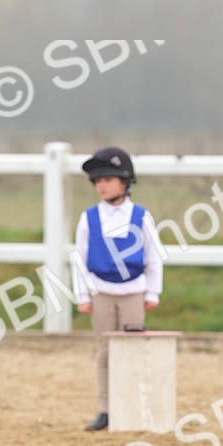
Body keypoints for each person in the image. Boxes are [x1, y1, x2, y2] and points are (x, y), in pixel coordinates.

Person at [74, 146, 164, 431]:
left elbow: (153, 256)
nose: (101, 185)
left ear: (125, 182)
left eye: (108, 179)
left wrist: (152, 292)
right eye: (97, 181)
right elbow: (79, 258)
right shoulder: (89, 218)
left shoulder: (141, 216)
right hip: (101, 292)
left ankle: (133, 407)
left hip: (133, 293)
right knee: (104, 351)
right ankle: (106, 409)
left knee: (133, 351)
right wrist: (83, 294)